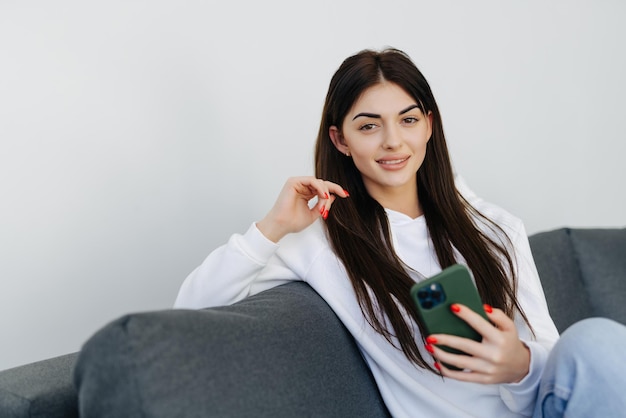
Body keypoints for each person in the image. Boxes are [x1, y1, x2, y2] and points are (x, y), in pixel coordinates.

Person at [174, 48, 626, 417]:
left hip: (547, 407)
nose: (393, 141)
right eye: (369, 126)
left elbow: (551, 349)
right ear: (340, 140)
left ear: (429, 125)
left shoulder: (494, 227)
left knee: (596, 340)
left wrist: (519, 366)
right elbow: (191, 312)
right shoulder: (322, 241)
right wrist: (271, 228)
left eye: (408, 120)